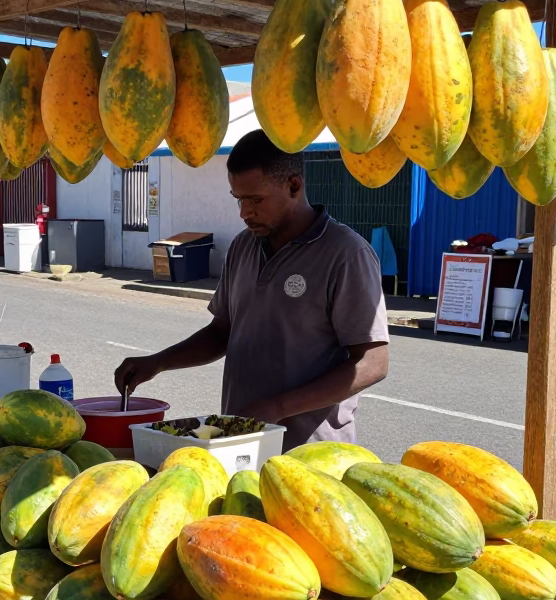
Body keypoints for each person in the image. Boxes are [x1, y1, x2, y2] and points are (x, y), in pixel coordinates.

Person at [114, 130, 389, 449]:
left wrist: (279, 407)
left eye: (255, 200)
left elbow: (373, 363)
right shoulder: (243, 246)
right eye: (239, 200)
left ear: (294, 186)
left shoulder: (345, 254)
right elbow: (222, 333)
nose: (244, 213)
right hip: (240, 441)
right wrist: (157, 362)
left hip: (310, 452)